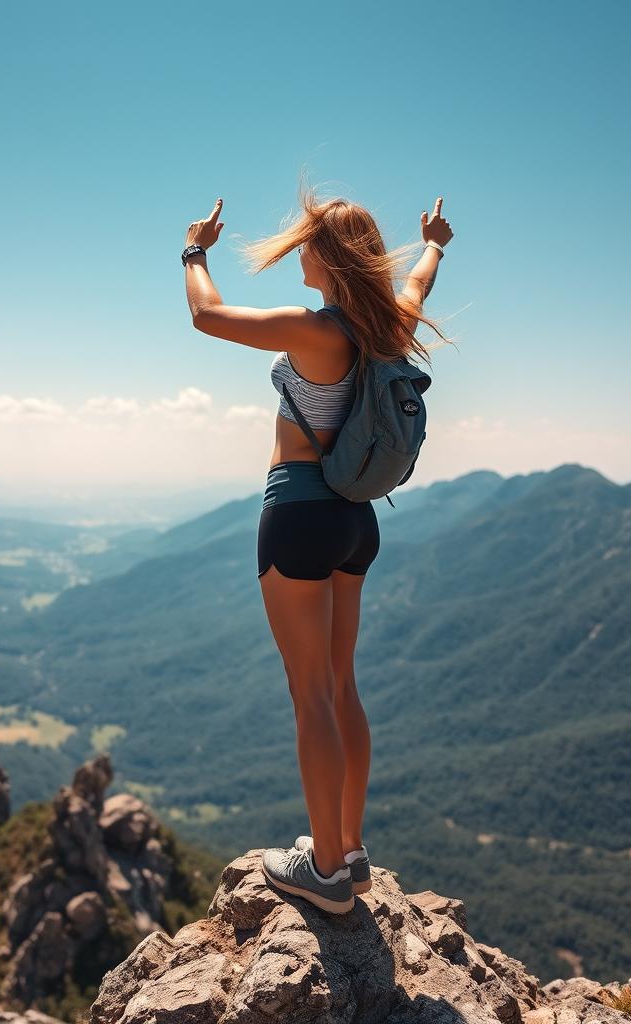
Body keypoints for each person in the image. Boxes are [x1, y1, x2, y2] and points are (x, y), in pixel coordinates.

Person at [183, 182, 455, 914]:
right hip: (357, 522)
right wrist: (433, 241)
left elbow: (206, 315)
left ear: (328, 256)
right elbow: (421, 278)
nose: (298, 249)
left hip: (299, 514)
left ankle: (327, 872)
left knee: (310, 696)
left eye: (307, 241)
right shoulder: (388, 325)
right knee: (341, 686)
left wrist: (192, 252)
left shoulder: (318, 331)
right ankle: (351, 850)